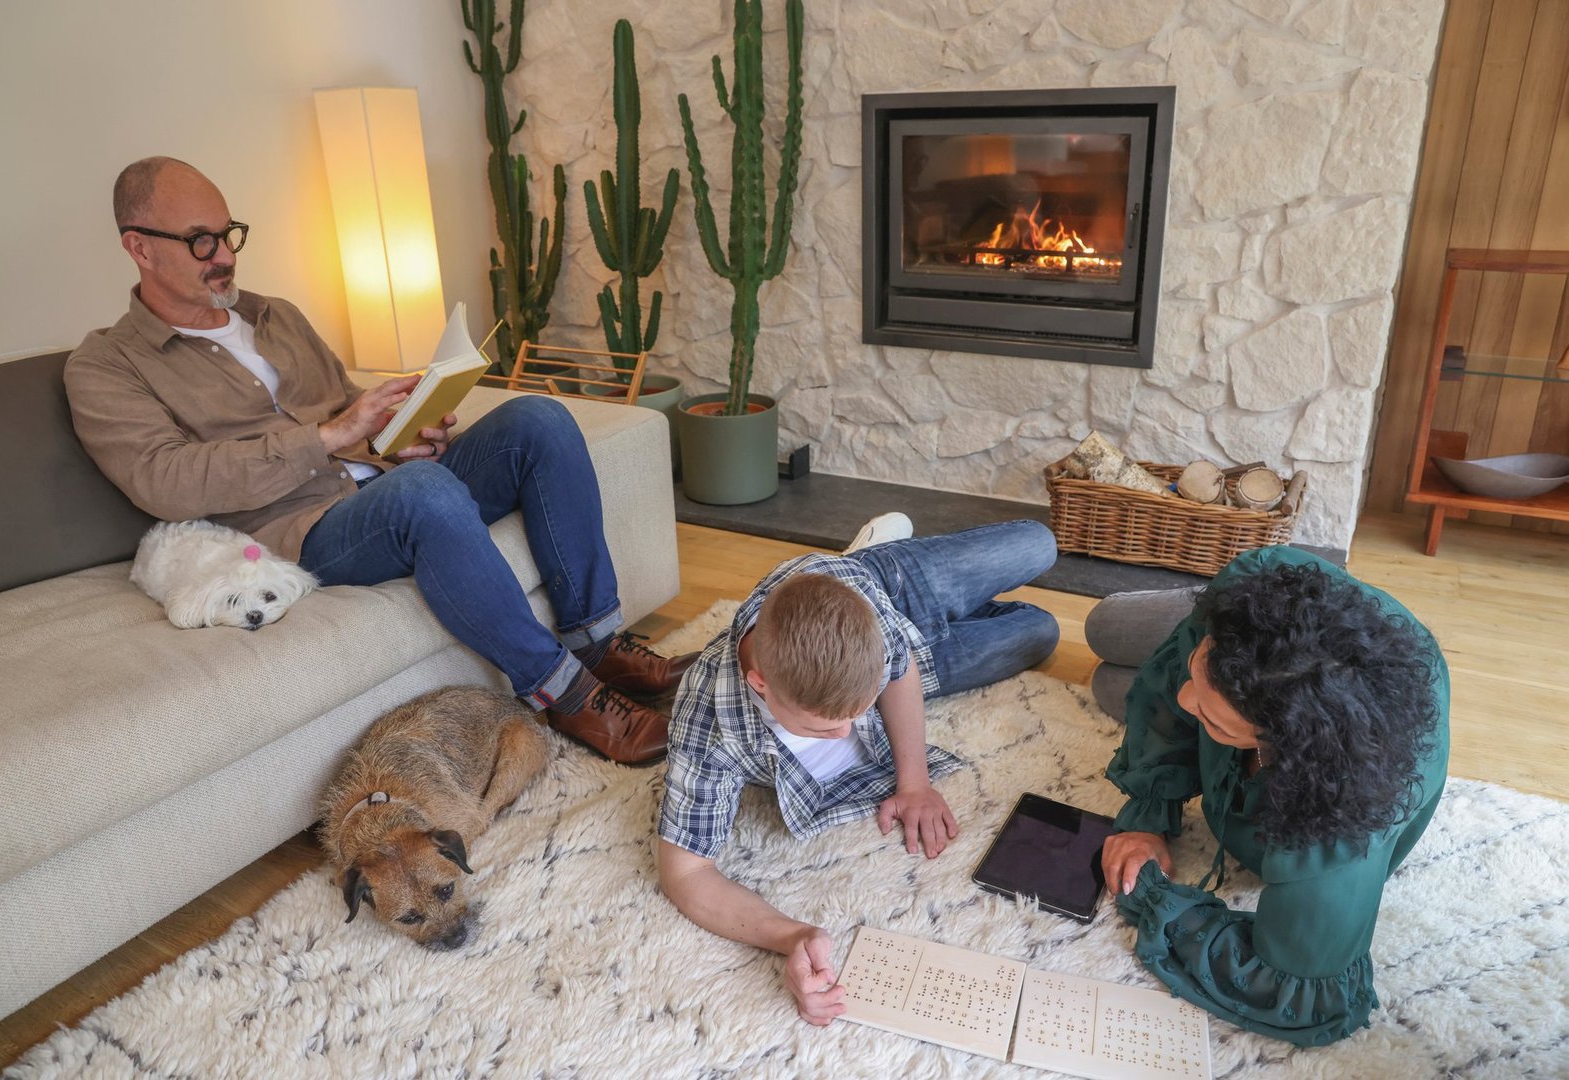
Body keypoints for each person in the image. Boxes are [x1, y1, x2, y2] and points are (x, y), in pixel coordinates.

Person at [65, 156, 688, 766]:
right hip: (302, 531)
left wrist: (400, 432)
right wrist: (334, 437)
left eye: (229, 235)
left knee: (539, 421)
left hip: (383, 484)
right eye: (201, 242)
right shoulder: (107, 366)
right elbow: (165, 482)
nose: (225, 256)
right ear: (140, 248)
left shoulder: (275, 315)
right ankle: (569, 694)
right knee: (423, 492)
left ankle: (598, 645)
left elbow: (345, 414)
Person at [656, 515, 1061, 1025]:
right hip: (919, 659)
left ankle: (877, 551)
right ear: (761, 684)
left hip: (889, 582)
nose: (848, 734)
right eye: (825, 729)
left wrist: (913, 781)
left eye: (857, 711)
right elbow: (686, 871)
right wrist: (791, 936)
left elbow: (900, 668)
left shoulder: (849, 599)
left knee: (1040, 543)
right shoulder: (706, 720)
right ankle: (955, 620)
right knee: (1043, 632)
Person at [1088, 545, 1449, 1046]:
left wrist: (1149, 893)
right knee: (1102, 630)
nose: (1183, 700)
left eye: (1213, 719)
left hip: (1341, 745)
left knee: (1107, 681)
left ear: (1286, 746)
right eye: (1197, 669)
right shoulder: (1239, 617)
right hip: (1303, 626)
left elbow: (1295, 989)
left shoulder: (1340, 812)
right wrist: (1147, 816)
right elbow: (1172, 693)